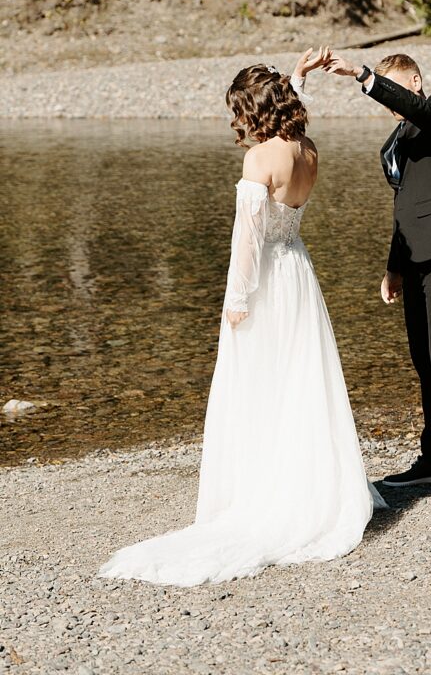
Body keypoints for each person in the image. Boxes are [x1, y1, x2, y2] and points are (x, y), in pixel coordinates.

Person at [97, 47, 385, 587]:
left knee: (258, 386)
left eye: (238, 111)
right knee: (300, 382)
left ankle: (263, 494)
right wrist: (297, 78)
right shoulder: (309, 149)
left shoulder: (259, 160)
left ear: (251, 111)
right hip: (300, 272)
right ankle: (308, 485)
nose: (236, 122)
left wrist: (235, 300)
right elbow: (293, 129)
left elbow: (246, 241)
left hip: (268, 281)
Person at [324, 51, 431, 489]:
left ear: (415, 81)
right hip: (416, 260)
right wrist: (393, 267)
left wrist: (363, 76)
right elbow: (403, 209)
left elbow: (420, 109)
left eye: (397, 90)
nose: (392, 104)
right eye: (387, 95)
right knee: (425, 360)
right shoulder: (396, 141)